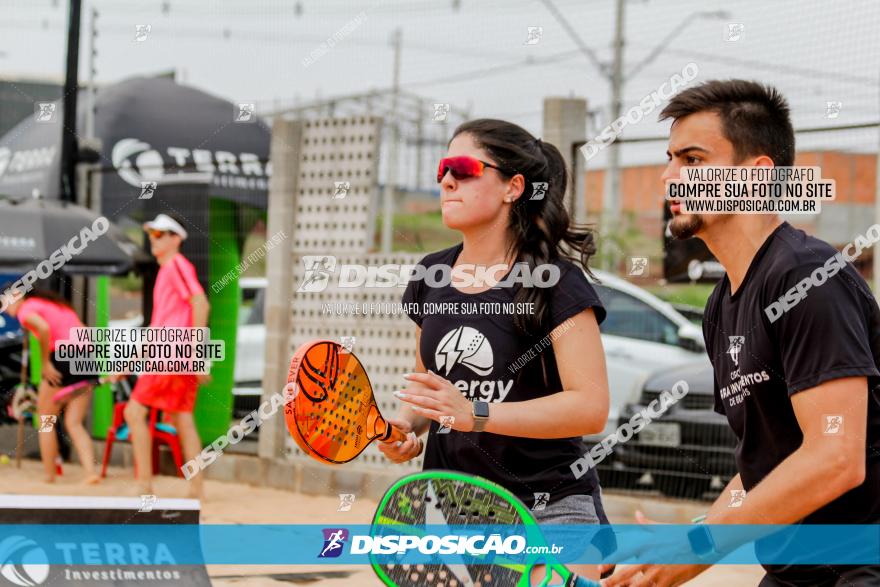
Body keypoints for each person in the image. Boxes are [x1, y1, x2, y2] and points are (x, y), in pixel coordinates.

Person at [604, 80, 880, 586]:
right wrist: (694, 539)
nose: (669, 178)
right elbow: (761, 466)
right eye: (670, 159)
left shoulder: (806, 277)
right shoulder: (721, 306)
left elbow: (837, 457)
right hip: (795, 571)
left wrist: (704, 548)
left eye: (692, 160)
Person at [378, 119, 612, 582]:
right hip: (453, 511)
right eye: (443, 168)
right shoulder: (431, 273)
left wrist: (477, 413)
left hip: (549, 509)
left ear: (513, 187)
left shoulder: (557, 283)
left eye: (462, 168)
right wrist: (406, 426)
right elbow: (431, 386)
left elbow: (591, 407)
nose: (446, 179)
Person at [122, 213, 211, 498]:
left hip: (170, 355)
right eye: (151, 234)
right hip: (172, 354)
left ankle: (144, 484)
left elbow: (201, 303)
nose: (153, 239)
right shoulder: (168, 270)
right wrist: (132, 361)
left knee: (133, 411)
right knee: (183, 418)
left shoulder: (176, 265)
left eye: (160, 235)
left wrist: (197, 354)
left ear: (176, 239)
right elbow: (158, 325)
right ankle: (195, 489)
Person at [1, 287, 99, 484]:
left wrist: (45, 362)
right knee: (74, 423)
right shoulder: (56, 305)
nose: (4, 308)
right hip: (86, 359)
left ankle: (49, 475)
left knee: (45, 419)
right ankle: (91, 473)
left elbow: (44, 328)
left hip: (63, 358)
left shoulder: (26, 309)